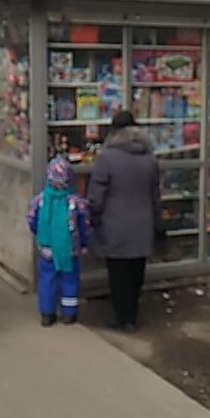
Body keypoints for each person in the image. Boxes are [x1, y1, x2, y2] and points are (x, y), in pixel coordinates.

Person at [87, 110, 162, 332]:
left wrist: (93, 217)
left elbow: (96, 196)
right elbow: (155, 196)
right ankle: (132, 315)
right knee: (137, 272)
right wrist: (156, 221)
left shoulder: (106, 158)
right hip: (142, 224)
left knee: (118, 274)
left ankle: (122, 318)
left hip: (115, 225)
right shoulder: (150, 159)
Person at [27, 157, 89, 327]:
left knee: (47, 279)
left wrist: (40, 237)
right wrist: (84, 243)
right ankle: (69, 313)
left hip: (47, 248)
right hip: (70, 249)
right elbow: (84, 225)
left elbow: (32, 221)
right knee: (70, 279)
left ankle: (47, 314)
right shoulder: (77, 202)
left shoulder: (39, 200)